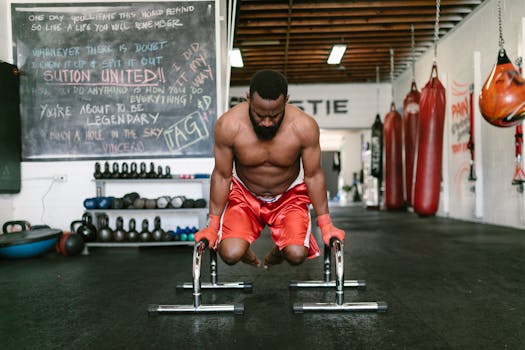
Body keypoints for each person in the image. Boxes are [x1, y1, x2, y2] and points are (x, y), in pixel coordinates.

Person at [195, 69, 345, 268]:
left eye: (274, 115)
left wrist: (326, 225)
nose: (266, 122)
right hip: (245, 198)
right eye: (259, 115)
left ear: (286, 101)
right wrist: (212, 226)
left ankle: (281, 250)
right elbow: (222, 176)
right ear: (248, 98)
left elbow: (314, 175)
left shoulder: (304, 127)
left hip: (288, 197)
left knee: (296, 254)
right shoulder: (229, 125)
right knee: (230, 254)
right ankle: (245, 252)